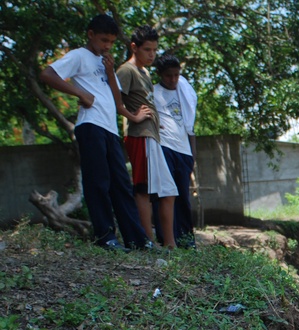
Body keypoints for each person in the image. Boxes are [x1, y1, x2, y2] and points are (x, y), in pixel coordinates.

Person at [38, 14, 150, 251]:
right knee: (98, 182)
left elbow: (118, 102)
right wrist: (79, 94)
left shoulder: (105, 61)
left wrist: (110, 72)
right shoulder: (79, 55)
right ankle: (105, 237)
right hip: (90, 126)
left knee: (121, 184)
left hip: (110, 129)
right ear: (90, 35)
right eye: (103, 40)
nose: (107, 45)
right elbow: (47, 74)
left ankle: (137, 240)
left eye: (110, 41)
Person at [117, 25, 178, 249]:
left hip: (152, 136)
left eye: (154, 50)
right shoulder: (127, 70)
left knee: (168, 190)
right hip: (138, 136)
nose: (152, 54)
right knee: (143, 190)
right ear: (134, 47)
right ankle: (147, 242)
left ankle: (170, 244)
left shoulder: (144, 72)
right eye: (147, 50)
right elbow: (115, 99)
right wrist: (133, 117)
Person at [153, 54, 198, 249]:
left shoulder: (184, 92)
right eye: (168, 76)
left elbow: (190, 128)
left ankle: (186, 240)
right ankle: (166, 238)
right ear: (160, 74)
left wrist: (192, 157)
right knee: (165, 195)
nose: (172, 80)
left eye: (176, 75)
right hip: (164, 147)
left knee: (183, 198)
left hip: (183, 150)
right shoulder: (153, 93)